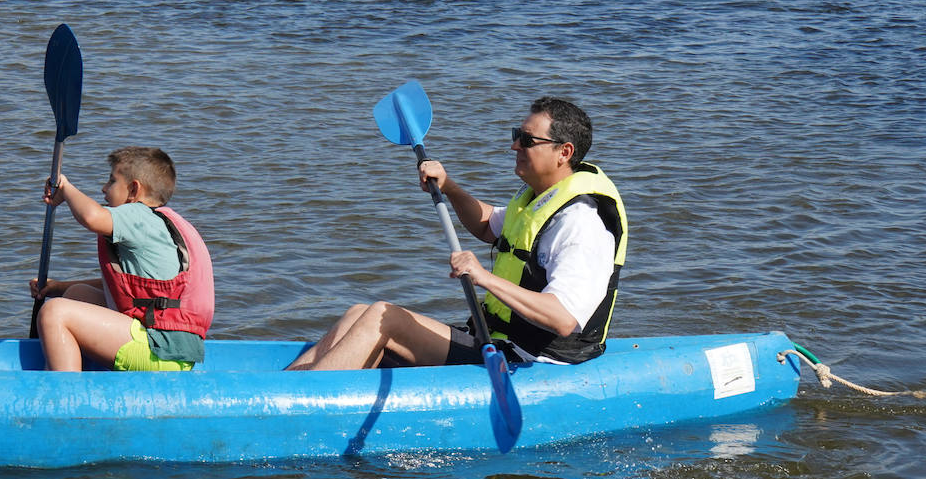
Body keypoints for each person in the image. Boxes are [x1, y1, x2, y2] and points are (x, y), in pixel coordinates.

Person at [287, 96, 627, 370]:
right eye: (515, 135)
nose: (514, 147)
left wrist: (483, 277)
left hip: (533, 360)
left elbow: (563, 318)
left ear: (563, 152)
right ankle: (288, 388)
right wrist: (449, 187)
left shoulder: (581, 223)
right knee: (358, 312)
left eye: (526, 140)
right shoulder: (539, 199)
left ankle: (297, 411)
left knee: (381, 317)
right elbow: (486, 225)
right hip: (494, 339)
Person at [31, 146, 214, 372]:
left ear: (134, 190)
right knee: (77, 295)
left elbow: (92, 217)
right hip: (173, 349)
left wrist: (66, 189)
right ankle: (82, 370)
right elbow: (124, 289)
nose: (104, 188)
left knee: (54, 312)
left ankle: (65, 393)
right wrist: (57, 287)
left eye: (112, 181)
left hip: (159, 351)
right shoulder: (161, 223)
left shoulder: (138, 214)